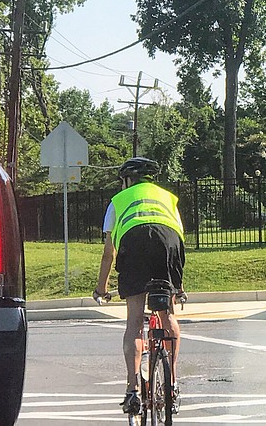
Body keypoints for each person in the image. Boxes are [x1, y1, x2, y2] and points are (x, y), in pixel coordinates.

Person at [94, 157, 185, 416]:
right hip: (168, 243)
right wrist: (178, 287)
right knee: (168, 315)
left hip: (134, 243)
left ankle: (132, 390)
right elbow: (176, 242)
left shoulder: (119, 201)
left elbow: (108, 254)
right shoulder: (168, 198)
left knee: (134, 321)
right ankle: (172, 384)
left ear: (127, 179)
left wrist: (101, 289)